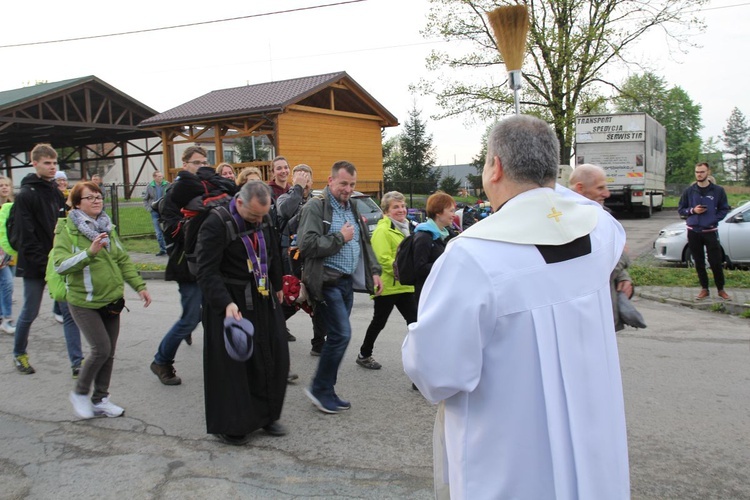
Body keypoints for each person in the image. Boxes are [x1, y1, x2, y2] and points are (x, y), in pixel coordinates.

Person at [402, 115, 630, 499]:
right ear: (554, 170)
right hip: (595, 447)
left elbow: (436, 372)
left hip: (510, 464)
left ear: (496, 168)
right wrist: (548, 185)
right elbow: (573, 200)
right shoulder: (601, 231)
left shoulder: (472, 257)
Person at [195, 181, 289, 444]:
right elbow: (206, 270)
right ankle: (233, 425)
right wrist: (225, 303)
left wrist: (277, 283)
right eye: (253, 216)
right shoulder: (215, 224)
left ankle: (268, 416)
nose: (259, 221)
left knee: (273, 354)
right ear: (239, 203)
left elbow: (272, 254)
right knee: (234, 367)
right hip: (230, 302)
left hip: (262, 296)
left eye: (262, 215)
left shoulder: (265, 217)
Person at [57, 182, 151, 419]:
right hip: (83, 301)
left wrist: (139, 286)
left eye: (99, 197)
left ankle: (100, 400)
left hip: (111, 301)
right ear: (77, 203)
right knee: (100, 349)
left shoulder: (107, 227)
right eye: (90, 197)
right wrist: (89, 253)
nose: (97, 201)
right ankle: (80, 393)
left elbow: (122, 260)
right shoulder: (67, 230)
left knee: (109, 353)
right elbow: (60, 265)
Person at [298, 160, 383, 414]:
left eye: (352, 184)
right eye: (344, 183)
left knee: (337, 336)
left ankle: (327, 389)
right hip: (326, 281)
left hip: (345, 283)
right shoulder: (316, 207)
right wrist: (339, 238)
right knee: (341, 335)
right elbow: (306, 245)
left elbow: (364, 242)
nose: (348, 189)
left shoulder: (352, 207)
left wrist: (375, 271)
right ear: (331, 180)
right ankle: (319, 389)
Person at [149, 146, 237, 385]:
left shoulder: (207, 189)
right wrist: (202, 219)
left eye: (204, 162)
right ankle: (161, 360)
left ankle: (227, 364)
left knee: (217, 313)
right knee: (190, 319)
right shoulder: (173, 194)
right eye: (196, 163)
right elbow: (173, 231)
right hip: (185, 265)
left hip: (211, 263)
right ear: (184, 164)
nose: (201, 166)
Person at [12, 144, 84, 377]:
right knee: (29, 312)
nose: (52, 167)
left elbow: (64, 227)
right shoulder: (25, 195)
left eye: (54, 163)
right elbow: (26, 235)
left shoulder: (54, 191)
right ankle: (19, 354)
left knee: (69, 313)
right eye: (47, 163)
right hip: (35, 266)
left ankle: (77, 363)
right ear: (34, 164)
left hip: (58, 263)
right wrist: (46, 264)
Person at [569, 163, 634, 331]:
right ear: (580, 188)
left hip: (606, 315)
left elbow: (611, 257)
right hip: (588, 321)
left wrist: (624, 278)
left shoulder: (604, 215)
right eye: (600, 188)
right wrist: (624, 257)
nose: (607, 193)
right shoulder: (570, 223)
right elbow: (595, 271)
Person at [356, 191, 416, 370]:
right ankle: (364, 354)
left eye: (403, 206)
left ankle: (419, 358)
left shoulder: (405, 227)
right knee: (379, 322)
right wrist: (405, 273)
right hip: (387, 287)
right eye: (396, 207)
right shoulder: (383, 230)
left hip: (404, 287)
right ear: (386, 211)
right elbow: (383, 259)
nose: (401, 210)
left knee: (414, 322)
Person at [276, 164, 326, 350]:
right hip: (291, 256)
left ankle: (319, 342)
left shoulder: (318, 200)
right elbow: (286, 215)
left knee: (317, 297)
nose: (304, 182)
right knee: (294, 296)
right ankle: (273, 327)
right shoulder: (284, 198)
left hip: (312, 256)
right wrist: (297, 190)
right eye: (299, 178)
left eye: (306, 179)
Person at [677, 162, 731, 300]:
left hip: (710, 231)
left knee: (715, 261)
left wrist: (713, 219)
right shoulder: (689, 191)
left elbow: (724, 209)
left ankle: (721, 289)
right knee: (699, 261)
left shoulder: (718, 190)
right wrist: (693, 211)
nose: (699, 174)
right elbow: (681, 210)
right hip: (693, 231)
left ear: (708, 172)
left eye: (701, 172)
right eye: (697, 172)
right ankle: (704, 289)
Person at [412, 192, 456, 302]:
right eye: (451, 211)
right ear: (438, 212)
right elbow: (420, 269)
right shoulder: (424, 237)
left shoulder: (446, 235)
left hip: (442, 292)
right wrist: (445, 263)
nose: (454, 215)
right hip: (428, 295)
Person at [0, 175, 15, 334]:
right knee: (8, 284)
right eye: (1, 185)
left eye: (6, 185)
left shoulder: (12, 207)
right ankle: (7, 318)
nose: (4, 188)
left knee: (4, 286)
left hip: (9, 253)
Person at [142, 170, 170, 256]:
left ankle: (169, 248)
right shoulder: (150, 186)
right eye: (158, 176)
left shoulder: (167, 185)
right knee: (158, 232)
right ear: (154, 177)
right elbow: (145, 198)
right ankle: (162, 249)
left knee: (167, 230)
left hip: (165, 211)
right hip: (154, 211)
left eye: (161, 176)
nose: (161, 178)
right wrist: (148, 208)